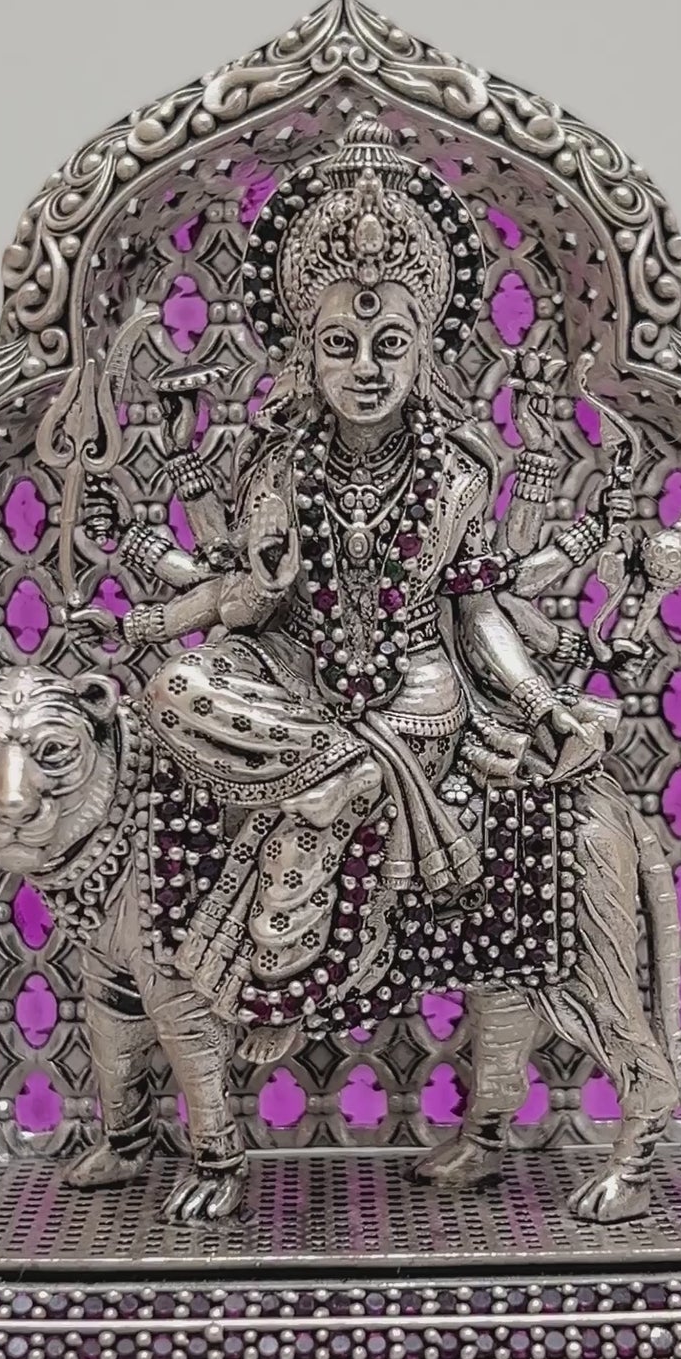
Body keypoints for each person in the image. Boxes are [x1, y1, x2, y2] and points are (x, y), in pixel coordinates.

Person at [117, 118, 612, 1015]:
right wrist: (255, 585)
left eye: (390, 345)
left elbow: (477, 613)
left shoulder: (457, 474)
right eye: (341, 345)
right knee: (174, 688)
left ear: (424, 352)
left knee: (280, 921)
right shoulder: (278, 463)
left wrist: (543, 705)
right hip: (292, 684)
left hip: (414, 690)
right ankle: (346, 769)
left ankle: (348, 785)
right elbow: (242, 604)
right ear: (308, 355)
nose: (367, 369)